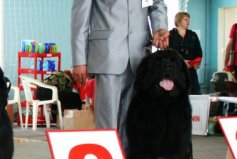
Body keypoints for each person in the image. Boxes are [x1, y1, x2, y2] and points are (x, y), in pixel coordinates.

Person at [71, 0, 169, 149]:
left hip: (140, 56)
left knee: (134, 124)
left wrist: (160, 26)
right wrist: (79, 60)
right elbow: (80, 18)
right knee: (107, 124)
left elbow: (157, 4)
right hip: (107, 55)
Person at [169, 11, 203, 95]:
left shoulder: (193, 35)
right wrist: (182, 62)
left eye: (189, 20)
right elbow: (168, 53)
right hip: (175, 70)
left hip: (190, 70)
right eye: (186, 19)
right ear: (179, 21)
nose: (188, 22)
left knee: (194, 93)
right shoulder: (170, 34)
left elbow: (198, 52)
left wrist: (195, 63)